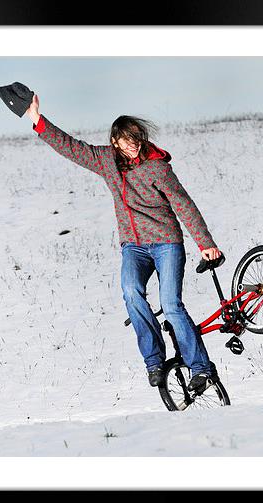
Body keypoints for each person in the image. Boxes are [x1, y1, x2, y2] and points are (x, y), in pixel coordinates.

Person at [26, 93, 221, 392]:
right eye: (127, 140)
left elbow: (183, 204)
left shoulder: (157, 167)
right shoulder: (106, 162)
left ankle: (201, 369)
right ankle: (154, 362)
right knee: (131, 292)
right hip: (134, 246)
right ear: (116, 141)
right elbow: (71, 148)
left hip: (167, 242)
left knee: (170, 305)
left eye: (137, 139)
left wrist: (204, 243)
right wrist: (38, 120)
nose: (133, 145)